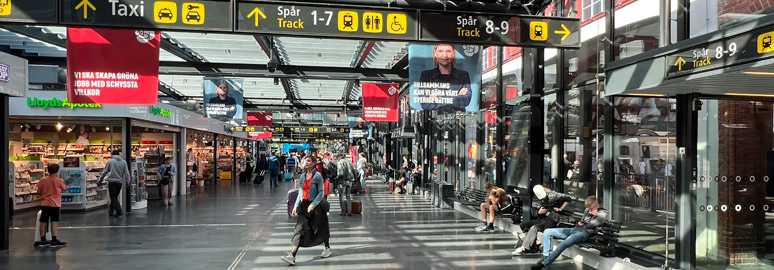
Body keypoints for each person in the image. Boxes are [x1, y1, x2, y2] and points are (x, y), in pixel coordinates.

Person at [532, 196, 609, 270]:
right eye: (588, 209)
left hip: (584, 234)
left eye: (590, 209)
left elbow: (589, 226)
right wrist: (583, 221)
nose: (588, 210)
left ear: (596, 205)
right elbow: (582, 222)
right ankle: (545, 255)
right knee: (547, 231)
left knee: (563, 244)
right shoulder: (587, 210)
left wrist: (587, 219)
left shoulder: (602, 214)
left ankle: (544, 264)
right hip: (575, 229)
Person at [281, 156, 332, 266]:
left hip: (316, 205)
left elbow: (321, 193)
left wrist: (313, 205)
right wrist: (295, 205)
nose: (306, 162)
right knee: (299, 229)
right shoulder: (303, 175)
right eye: (305, 161)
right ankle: (292, 256)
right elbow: (300, 191)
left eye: (309, 161)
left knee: (321, 227)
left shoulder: (317, 176)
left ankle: (327, 247)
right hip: (304, 205)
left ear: (314, 163)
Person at [513, 185, 571, 255]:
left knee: (535, 227)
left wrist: (561, 208)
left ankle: (524, 247)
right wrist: (538, 212)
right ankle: (536, 242)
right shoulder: (536, 199)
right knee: (523, 225)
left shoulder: (553, 195)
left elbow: (568, 198)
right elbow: (533, 212)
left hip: (552, 218)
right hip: (542, 219)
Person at [417, 43, 472, 111]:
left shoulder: (463, 75)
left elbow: (465, 101)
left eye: (448, 51)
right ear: (435, 53)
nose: (445, 55)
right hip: (432, 119)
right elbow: (425, 105)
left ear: (453, 53)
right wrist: (457, 96)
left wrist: (437, 99)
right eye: (440, 51)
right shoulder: (426, 75)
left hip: (458, 119)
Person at [34, 163, 67, 247]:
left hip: (45, 203)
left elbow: (38, 191)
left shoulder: (42, 180)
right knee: (54, 221)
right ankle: (54, 240)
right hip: (55, 204)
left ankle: (42, 239)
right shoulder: (60, 181)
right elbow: (63, 188)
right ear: (57, 171)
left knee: (43, 221)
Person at [99, 150, 130, 217]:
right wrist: (128, 181)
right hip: (119, 182)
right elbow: (127, 173)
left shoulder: (110, 161)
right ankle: (111, 212)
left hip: (112, 181)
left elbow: (105, 171)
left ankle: (119, 210)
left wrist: (100, 180)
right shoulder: (124, 162)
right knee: (115, 197)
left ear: (112, 154)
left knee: (113, 197)